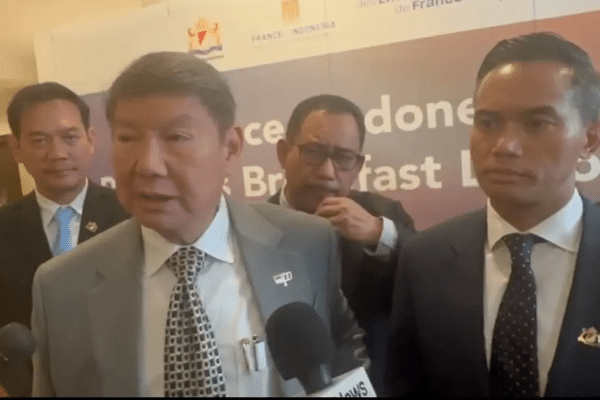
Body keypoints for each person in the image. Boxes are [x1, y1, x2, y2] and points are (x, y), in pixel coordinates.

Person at [30, 52, 368, 397]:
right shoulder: (60, 287)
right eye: (128, 138)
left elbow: (343, 354)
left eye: (176, 137)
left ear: (230, 148)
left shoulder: (306, 243)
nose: (148, 166)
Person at [387, 32, 600, 397]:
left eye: (537, 123)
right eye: (487, 123)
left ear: (589, 139)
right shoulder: (425, 258)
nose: (505, 146)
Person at [271, 94, 415, 394]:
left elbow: (430, 278)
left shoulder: (383, 215)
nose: (327, 172)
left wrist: (378, 234)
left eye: (344, 158)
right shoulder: (252, 228)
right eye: (313, 152)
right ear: (283, 153)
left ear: (358, 164)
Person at [0, 82, 128, 330]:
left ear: (90, 139)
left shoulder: (130, 214)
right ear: (16, 149)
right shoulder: (4, 227)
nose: (58, 153)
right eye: (39, 141)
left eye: (70, 138)